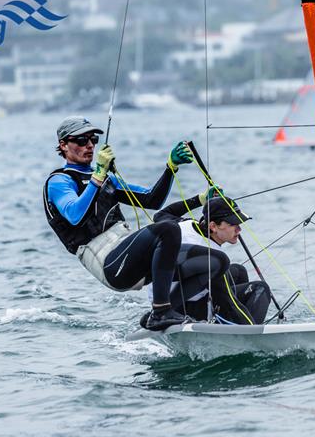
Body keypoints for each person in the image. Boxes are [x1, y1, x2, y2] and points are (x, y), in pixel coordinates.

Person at [42, 115, 196, 331]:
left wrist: (171, 167)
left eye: (93, 140)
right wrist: (98, 175)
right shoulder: (59, 181)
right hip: (106, 262)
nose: (89, 145)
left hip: (125, 250)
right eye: (81, 140)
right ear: (63, 145)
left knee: (215, 261)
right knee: (167, 229)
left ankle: (195, 317)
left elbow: (152, 200)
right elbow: (75, 215)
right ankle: (161, 311)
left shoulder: (106, 178)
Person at [146, 194, 272, 326]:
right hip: (179, 309)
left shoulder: (186, 224)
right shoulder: (211, 259)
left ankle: (232, 322)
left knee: (238, 271)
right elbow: (228, 300)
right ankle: (245, 330)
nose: (239, 229)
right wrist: (251, 333)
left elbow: (161, 215)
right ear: (213, 226)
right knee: (260, 288)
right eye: (233, 224)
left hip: (163, 302)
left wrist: (200, 199)